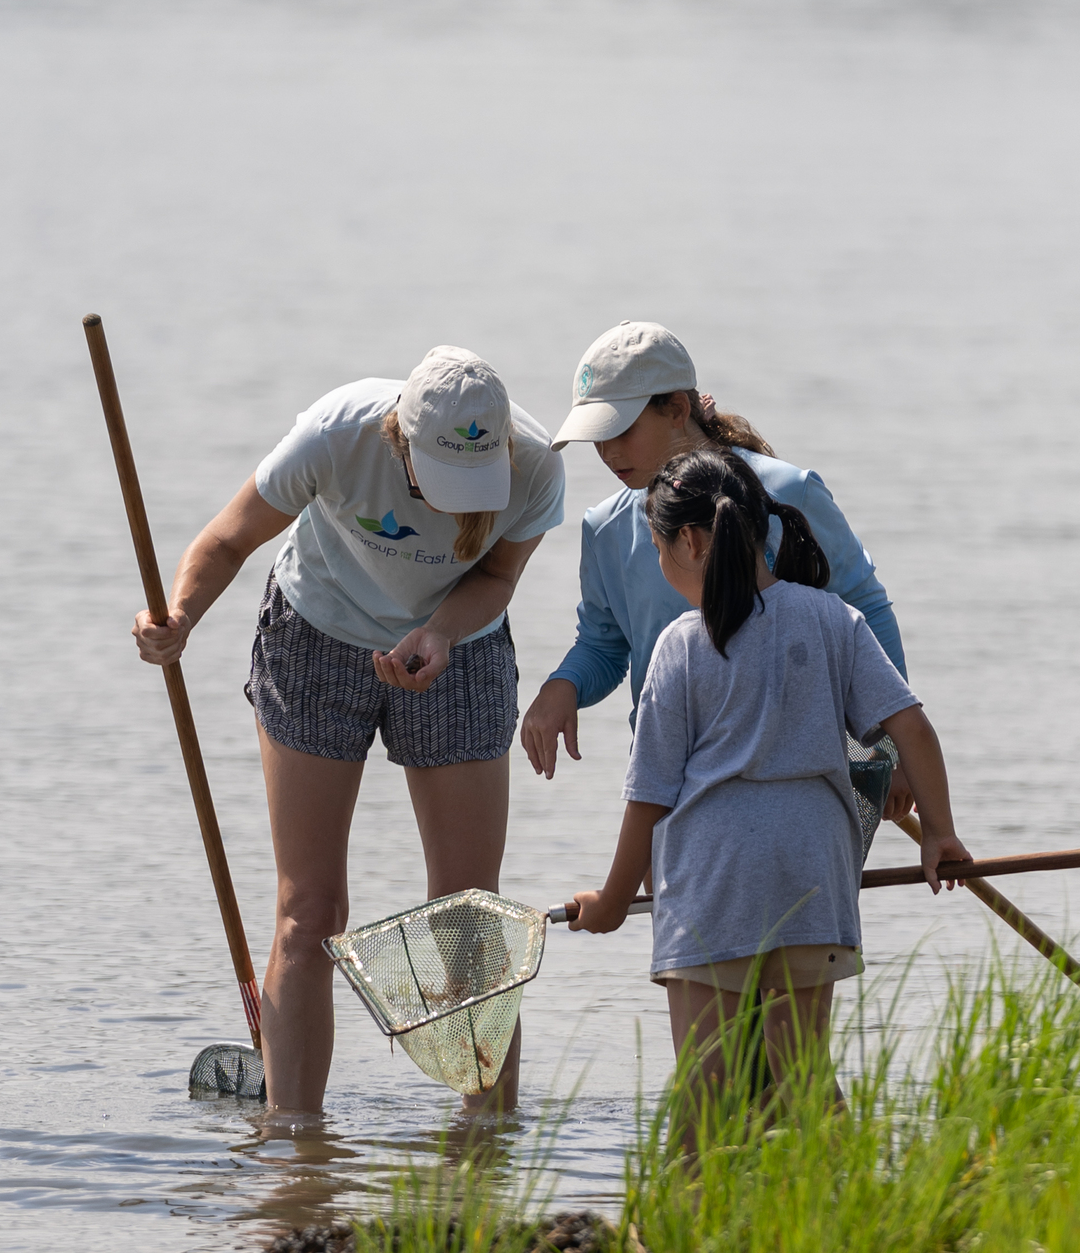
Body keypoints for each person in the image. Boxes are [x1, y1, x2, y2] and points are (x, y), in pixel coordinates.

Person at [132, 348, 565, 1117]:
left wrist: (439, 632)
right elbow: (228, 540)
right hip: (317, 635)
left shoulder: (534, 467)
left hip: (459, 647)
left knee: (466, 913)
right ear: (400, 439)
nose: (457, 503)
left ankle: (487, 1149)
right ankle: (295, 1152)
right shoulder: (336, 435)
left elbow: (496, 578)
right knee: (311, 913)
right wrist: (180, 618)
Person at [566, 450, 968, 1103]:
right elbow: (913, 728)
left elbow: (650, 795)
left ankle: (688, 1202)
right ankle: (848, 1197)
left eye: (660, 551)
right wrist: (940, 834)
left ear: (690, 541)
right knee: (802, 1081)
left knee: (707, 1091)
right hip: (812, 876)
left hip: (714, 883)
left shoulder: (682, 644)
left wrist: (614, 899)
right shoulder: (834, 617)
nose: (663, 568)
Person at [520, 322, 911, 821]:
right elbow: (604, 645)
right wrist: (564, 686)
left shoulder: (792, 492)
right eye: (596, 437)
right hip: (669, 783)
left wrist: (892, 752)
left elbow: (866, 610)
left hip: (798, 777)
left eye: (621, 430)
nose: (607, 452)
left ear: (678, 410)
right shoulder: (605, 528)